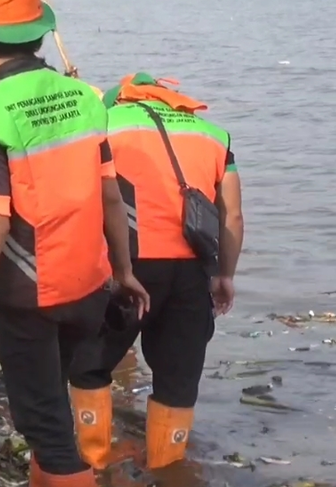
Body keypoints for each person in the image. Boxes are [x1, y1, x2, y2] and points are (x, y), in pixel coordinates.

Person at [0, 0, 150, 487]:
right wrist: (125, 272)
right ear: (41, 35)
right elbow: (112, 196)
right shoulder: (87, 97)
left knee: (46, 427)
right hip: (88, 288)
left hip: (30, 297)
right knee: (49, 410)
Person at [68, 73, 243, 471]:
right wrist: (225, 275)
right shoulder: (213, 134)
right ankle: (167, 468)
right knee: (177, 378)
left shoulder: (106, 123)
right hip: (191, 270)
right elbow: (231, 213)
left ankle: (94, 463)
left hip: (128, 265)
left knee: (91, 363)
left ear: (122, 98)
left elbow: (88, 196)